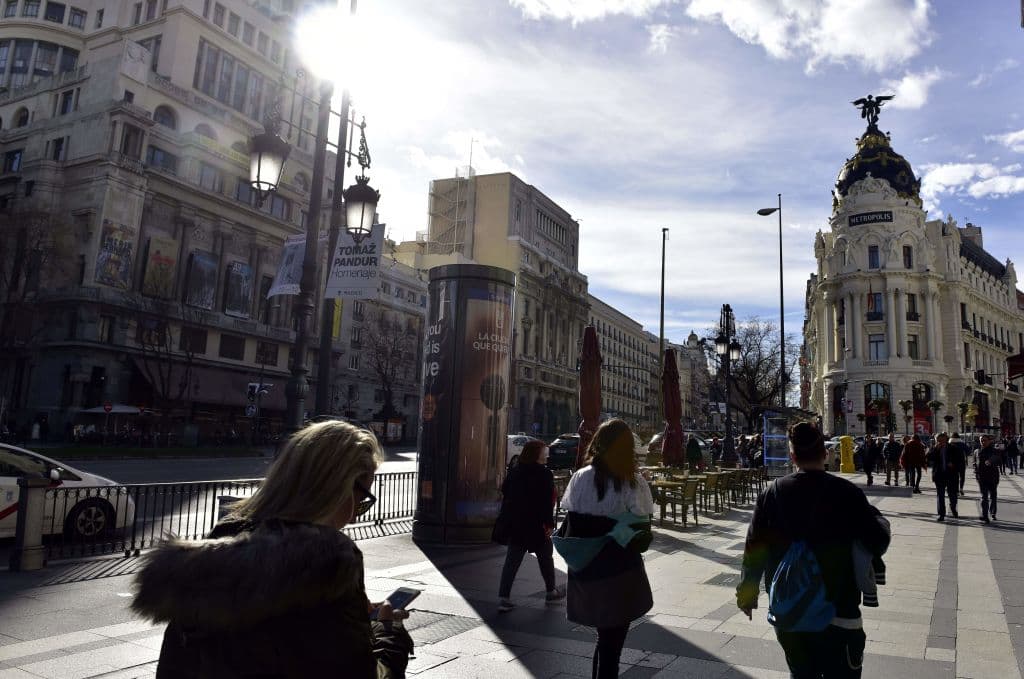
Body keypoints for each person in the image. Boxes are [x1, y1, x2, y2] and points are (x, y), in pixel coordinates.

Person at [131, 420, 414, 678]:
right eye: (362, 500)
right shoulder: (329, 563)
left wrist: (349, 615)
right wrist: (388, 634)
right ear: (336, 487)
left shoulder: (209, 555)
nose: (355, 516)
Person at [736, 423, 890, 678]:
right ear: (825, 454)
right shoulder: (847, 493)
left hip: (790, 613)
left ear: (793, 456)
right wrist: (875, 518)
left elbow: (754, 548)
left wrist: (747, 594)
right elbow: (877, 542)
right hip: (839, 611)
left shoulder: (772, 493)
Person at [558, 419, 655, 679]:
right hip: (619, 573)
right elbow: (642, 536)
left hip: (586, 570)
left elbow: (572, 519)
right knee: (612, 647)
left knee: (605, 640)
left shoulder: (579, 478)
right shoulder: (632, 482)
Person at [497, 440, 565, 612]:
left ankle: (504, 598)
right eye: (544, 452)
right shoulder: (544, 474)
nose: (547, 454)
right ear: (536, 454)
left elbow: (505, 490)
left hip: (517, 523)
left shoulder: (515, 471)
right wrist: (549, 524)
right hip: (536, 524)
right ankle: (551, 591)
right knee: (546, 559)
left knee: (512, 562)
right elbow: (545, 502)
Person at [926, 432, 962, 522]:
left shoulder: (954, 448)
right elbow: (928, 458)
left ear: (946, 439)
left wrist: (953, 465)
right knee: (940, 495)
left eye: (941, 440)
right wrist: (934, 449)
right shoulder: (934, 448)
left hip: (951, 475)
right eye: (938, 441)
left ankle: (953, 507)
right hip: (939, 475)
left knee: (953, 495)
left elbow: (960, 461)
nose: (940, 442)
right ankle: (941, 514)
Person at [977, 433, 1001, 524]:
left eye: (985, 440)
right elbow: (975, 463)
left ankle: (993, 512)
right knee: (984, 497)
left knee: (993, 496)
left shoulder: (994, 451)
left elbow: (999, 460)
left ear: (989, 441)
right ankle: (985, 515)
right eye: (981, 440)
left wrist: (991, 461)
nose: (983, 442)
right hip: (982, 478)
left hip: (992, 477)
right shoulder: (977, 451)